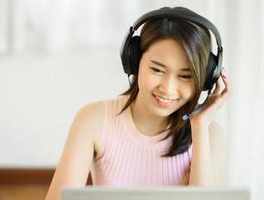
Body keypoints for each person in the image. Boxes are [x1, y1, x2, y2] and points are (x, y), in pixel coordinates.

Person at [46, 6, 231, 200]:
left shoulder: (210, 135)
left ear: (206, 79)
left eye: (186, 76)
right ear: (134, 61)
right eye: (157, 70)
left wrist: (200, 127)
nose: (168, 89)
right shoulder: (92, 120)